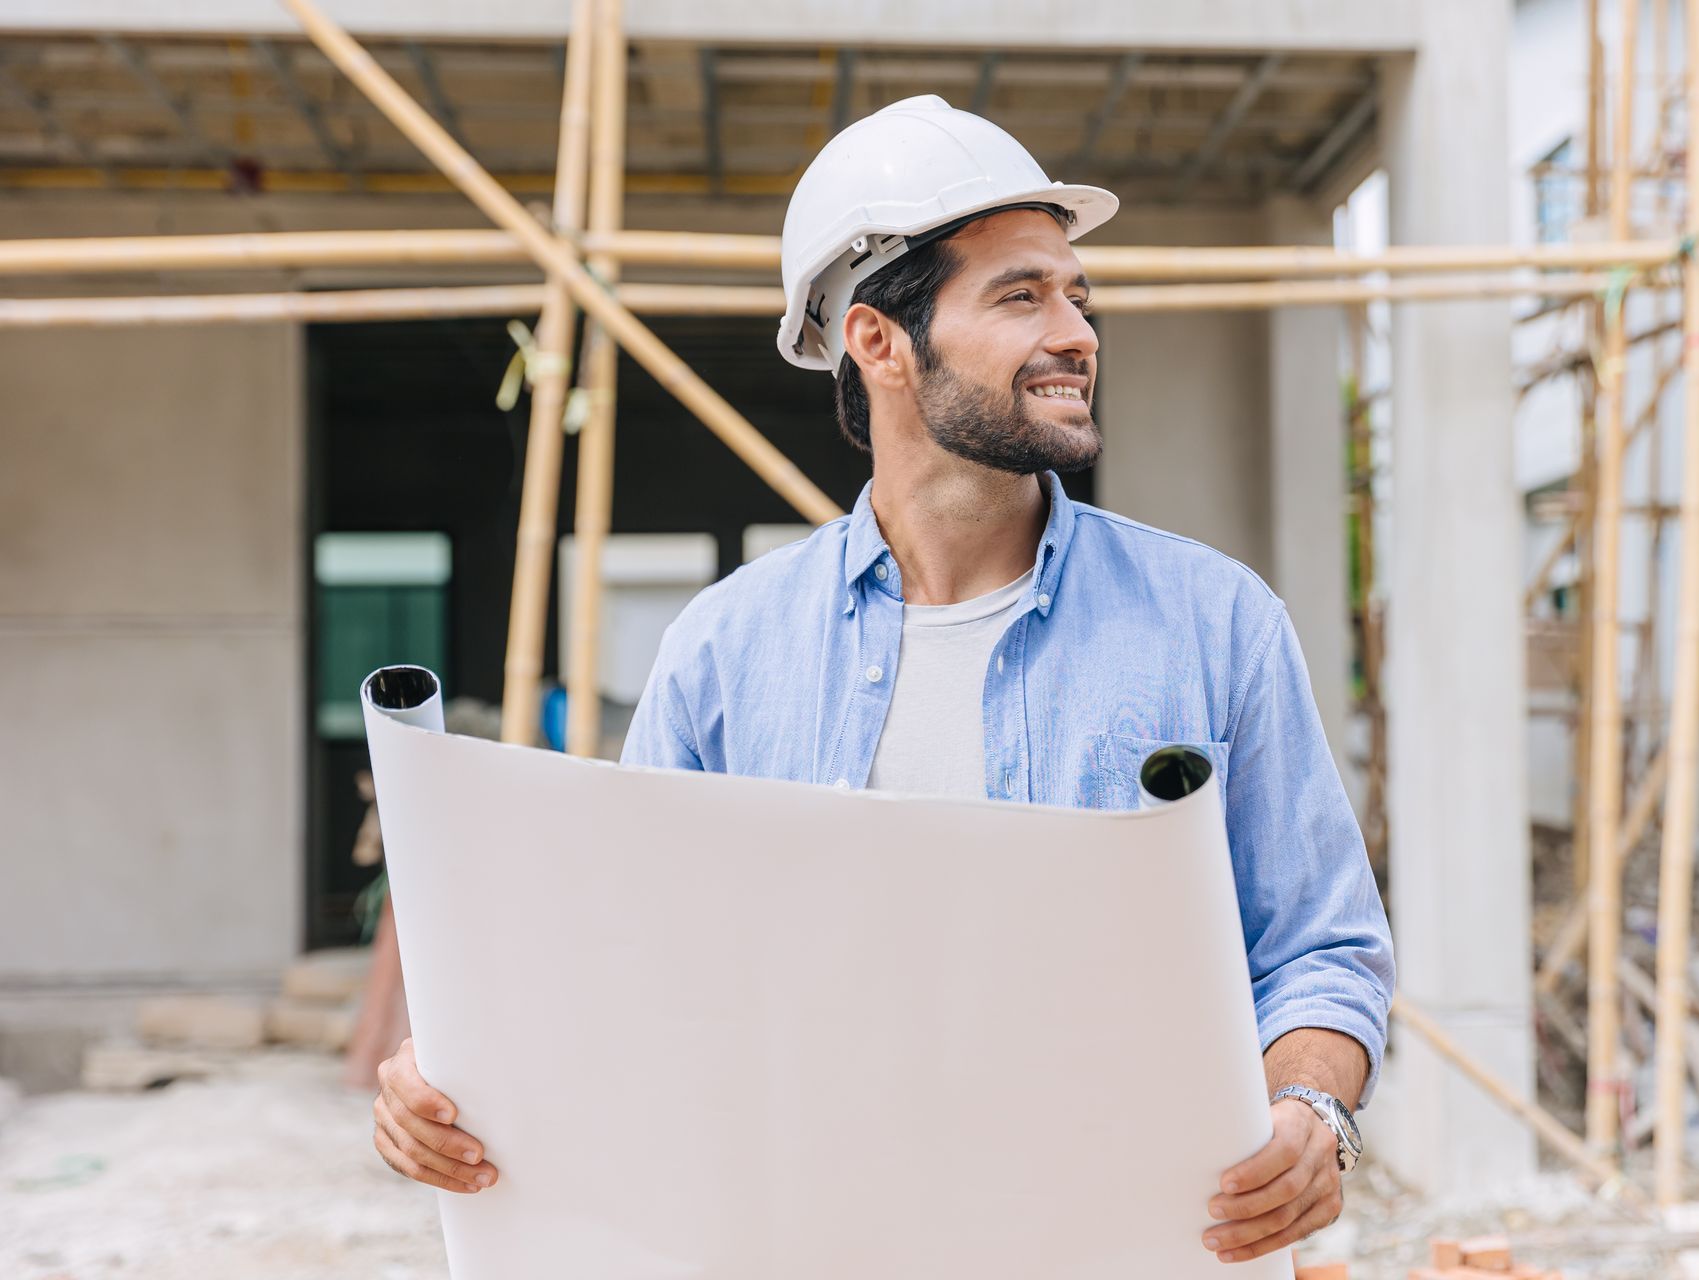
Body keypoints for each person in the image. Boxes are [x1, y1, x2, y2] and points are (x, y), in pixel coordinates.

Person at [372, 95, 1395, 1267]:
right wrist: (444, 1086)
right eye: (1022, 295)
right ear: (879, 341)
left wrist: (1312, 1111)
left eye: (1077, 293)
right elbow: (638, 979)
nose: (1077, 332)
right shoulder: (726, 654)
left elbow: (1322, 947)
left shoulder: (1216, 624)